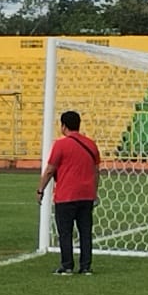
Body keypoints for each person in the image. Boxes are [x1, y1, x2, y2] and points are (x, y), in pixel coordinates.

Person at [37, 110, 99, 275]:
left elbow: (50, 170)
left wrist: (40, 189)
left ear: (63, 126)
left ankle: (67, 265)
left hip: (66, 195)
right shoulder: (91, 144)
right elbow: (96, 171)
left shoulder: (60, 145)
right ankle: (86, 266)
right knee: (85, 231)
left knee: (65, 232)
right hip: (86, 195)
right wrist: (94, 192)